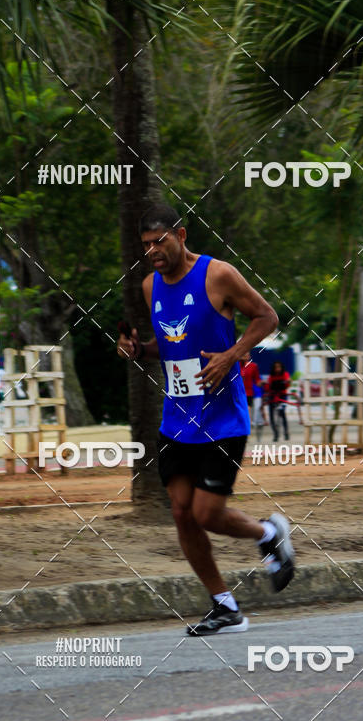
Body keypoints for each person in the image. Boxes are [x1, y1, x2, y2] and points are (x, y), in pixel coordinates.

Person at [117, 203, 295, 636]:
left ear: (181, 234)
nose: (153, 252)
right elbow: (171, 347)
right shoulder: (149, 286)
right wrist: (140, 351)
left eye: (160, 241)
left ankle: (268, 533)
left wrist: (232, 356)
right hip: (176, 419)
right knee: (182, 514)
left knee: (207, 513)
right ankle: (224, 606)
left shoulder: (218, 275)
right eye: (146, 246)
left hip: (222, 419)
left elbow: (267, 316)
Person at [266, 360, 290, 442]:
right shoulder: (271, 377)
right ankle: (275, 434)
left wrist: (288, 382)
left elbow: (287, 383)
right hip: (273, 396)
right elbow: (268, 386)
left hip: (282, 396)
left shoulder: (285, 374)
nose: (277, 369)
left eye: (279, 367)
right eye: (276, 367)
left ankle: (286, 432)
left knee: (282, 413)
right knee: (271, 416)